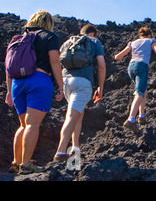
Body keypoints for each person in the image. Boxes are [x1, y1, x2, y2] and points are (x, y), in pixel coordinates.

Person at [4, 10, 64, 174]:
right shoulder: (49, 36)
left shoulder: (18, 38)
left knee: (23, 125)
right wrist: (61, 85)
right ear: (48, 23)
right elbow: (54, 60)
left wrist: (9, 91)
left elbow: (9, 66)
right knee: (32, 124)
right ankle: (25, 165)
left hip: (17, 83)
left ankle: (16, 163)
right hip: (39, 80)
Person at [53, 24, 106, 161]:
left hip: (66, 81)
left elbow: (57, 62)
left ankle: (75, 147)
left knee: (78, 112)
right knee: (71, 115)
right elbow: (101, 65)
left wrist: (59, 86)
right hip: (82, 82)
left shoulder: (69, 42)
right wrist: (100, 87)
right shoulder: (94, 42)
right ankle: (60, 151)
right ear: (93, 33)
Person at [115, 27, 156, 134]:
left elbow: (118, 57)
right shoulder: (151, 40)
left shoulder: (133, 43)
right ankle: (131, 119)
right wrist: (155, 45)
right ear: (150, 35)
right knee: (139, 93)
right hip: (142, 66)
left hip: (131, 67)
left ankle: (141, 116)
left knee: (143, 90)